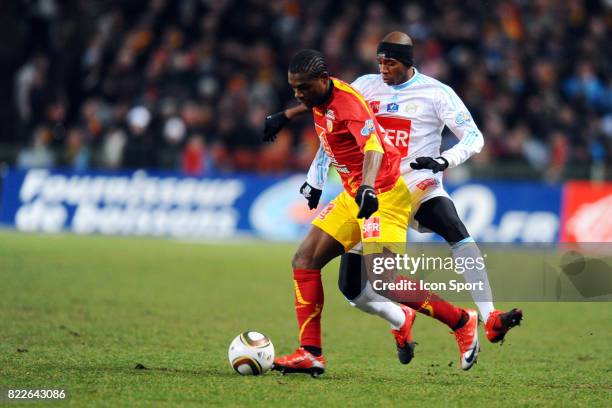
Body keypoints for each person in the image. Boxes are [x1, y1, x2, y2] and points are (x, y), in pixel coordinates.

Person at [265, 32, 522, 359]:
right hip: (361, 191)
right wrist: (314, 175)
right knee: (352, 288)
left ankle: (488, 316)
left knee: (453, 228)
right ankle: (398, 319)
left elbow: (473, 137)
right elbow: (330, 124)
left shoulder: (437, 94)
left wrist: (444, 159)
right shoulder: (364, 86)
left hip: (407, 185)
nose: (384, 68)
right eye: (380, 62)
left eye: (391, 62)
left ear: (408, 63)